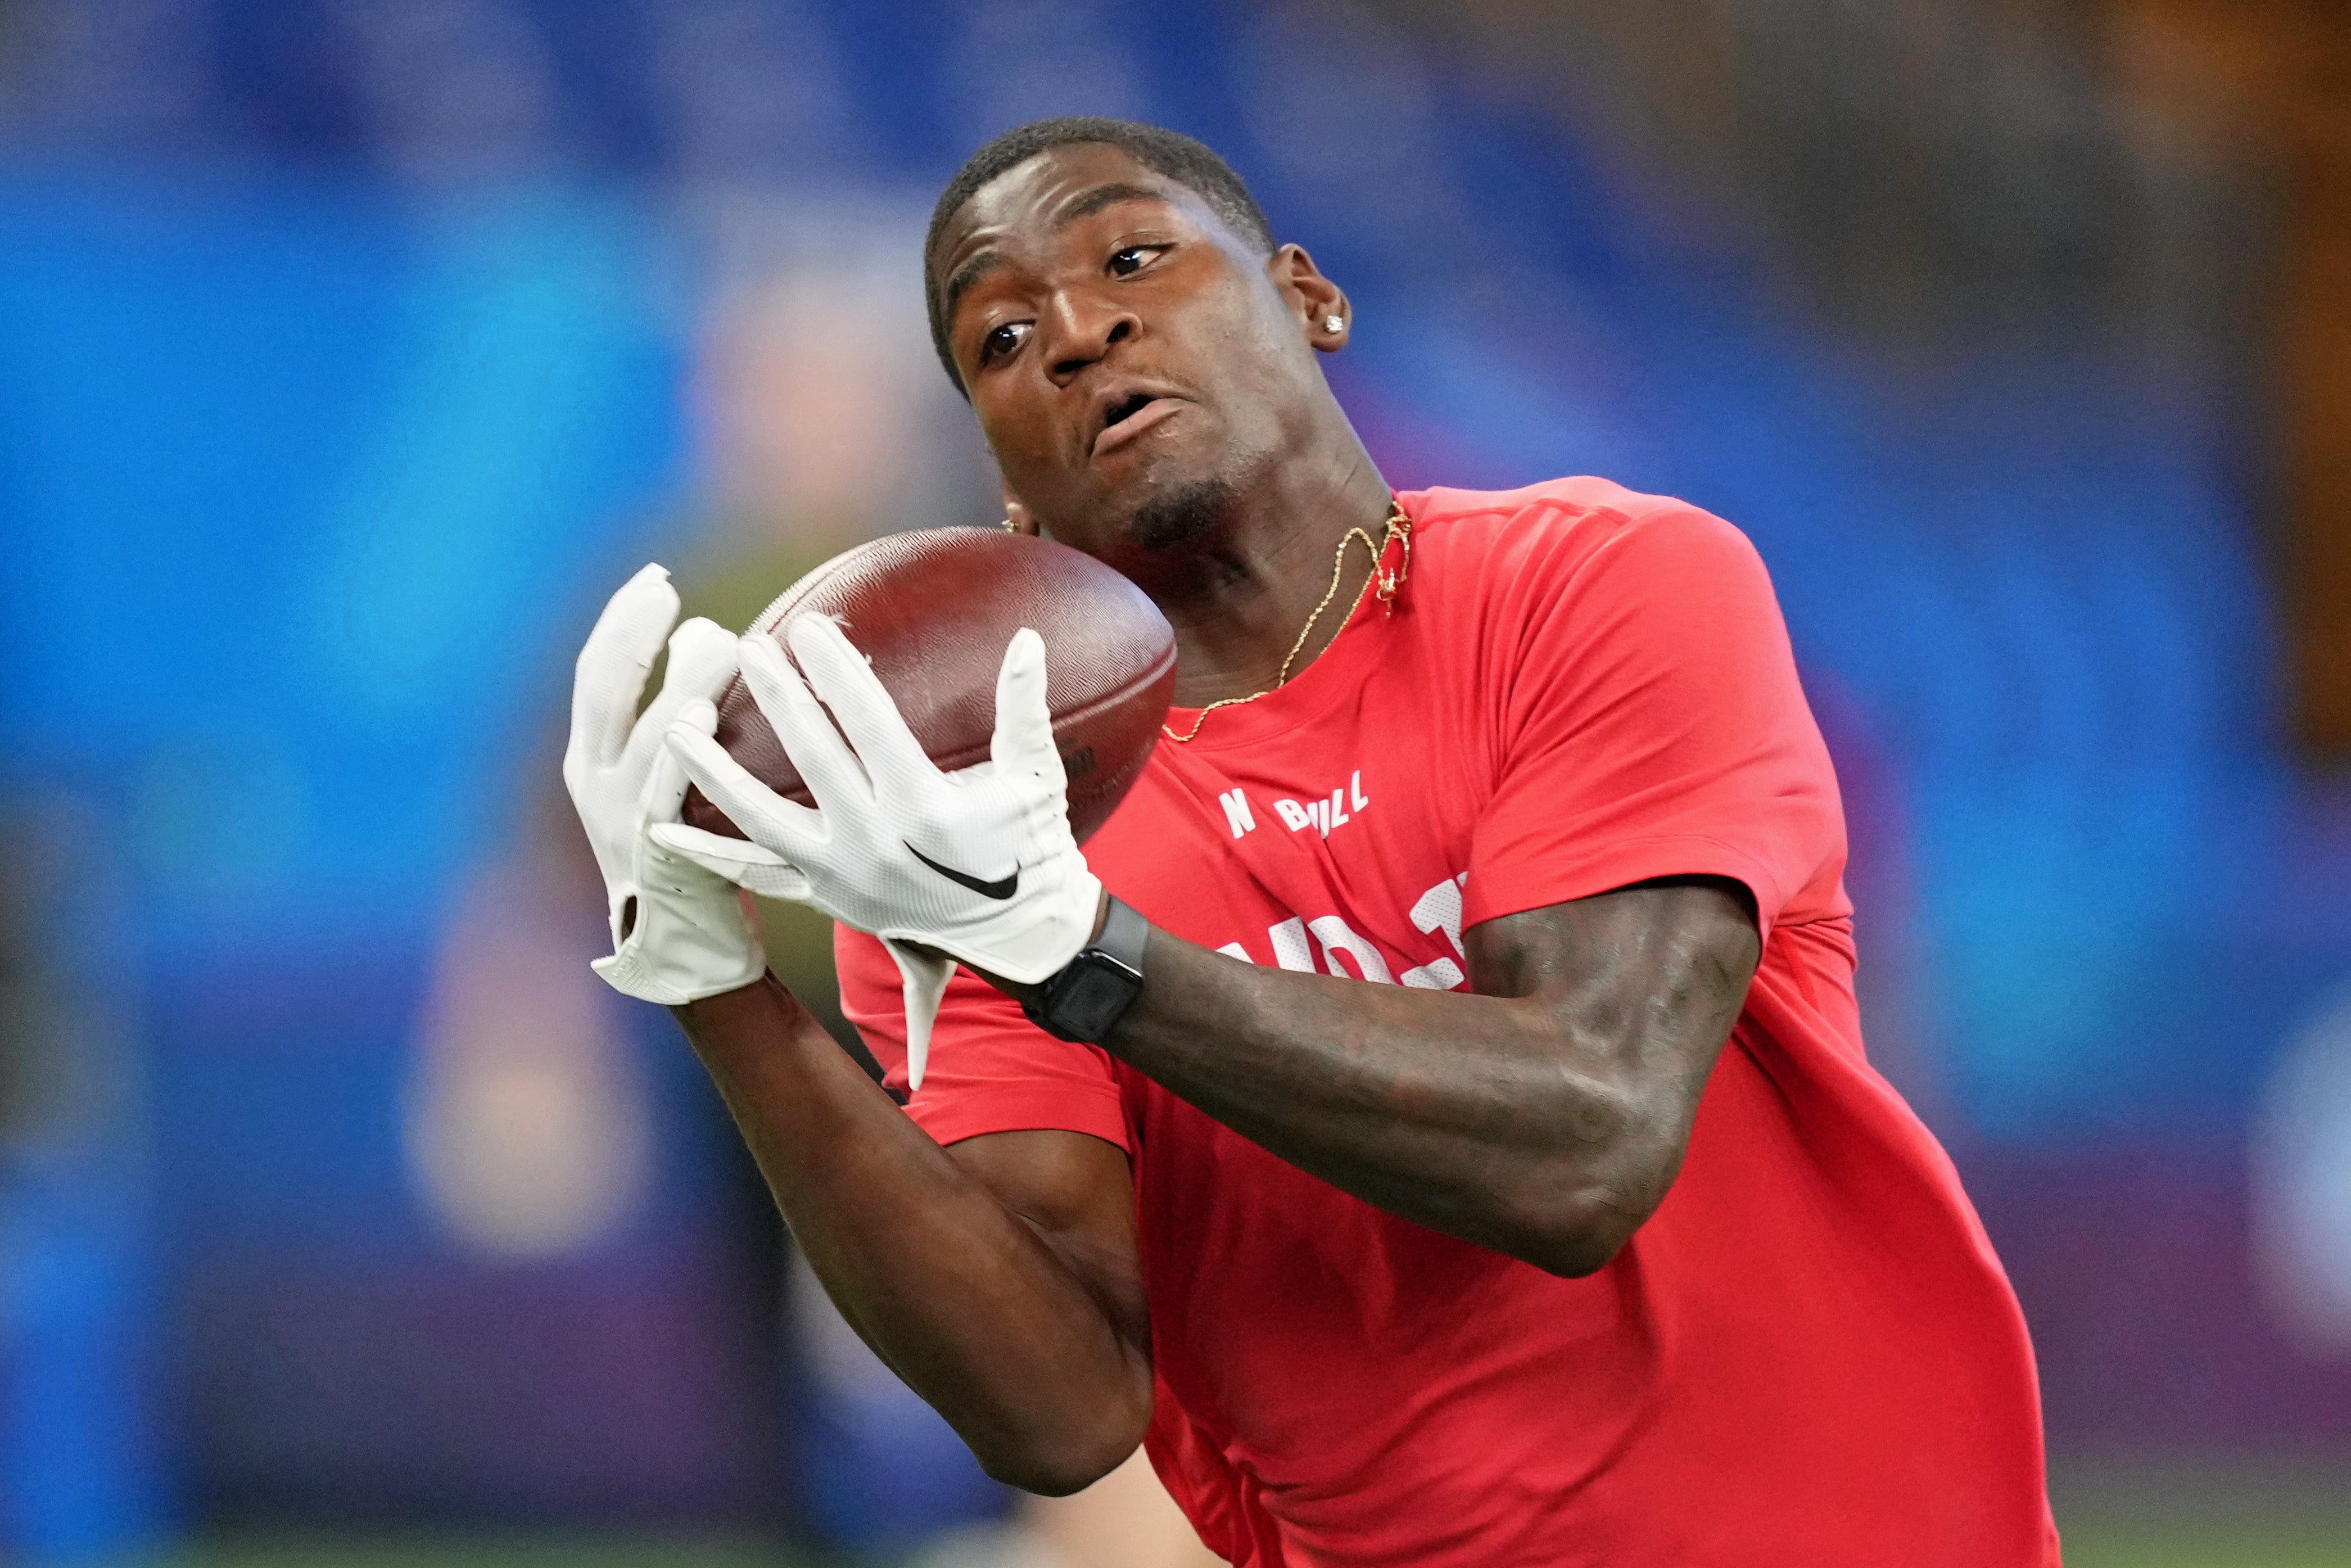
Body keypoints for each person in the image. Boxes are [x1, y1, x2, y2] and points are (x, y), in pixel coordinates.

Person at [564, 118, 2061, 1565]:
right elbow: (1063, 1412)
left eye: (1135, 259)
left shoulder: (1605, 586)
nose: (1078, 331)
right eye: (1003, 343)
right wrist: (717, 990)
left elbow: (1590, 1147)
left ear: (1308, 297)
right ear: (1003, 471)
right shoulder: (977, 832)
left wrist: (1086, 959)